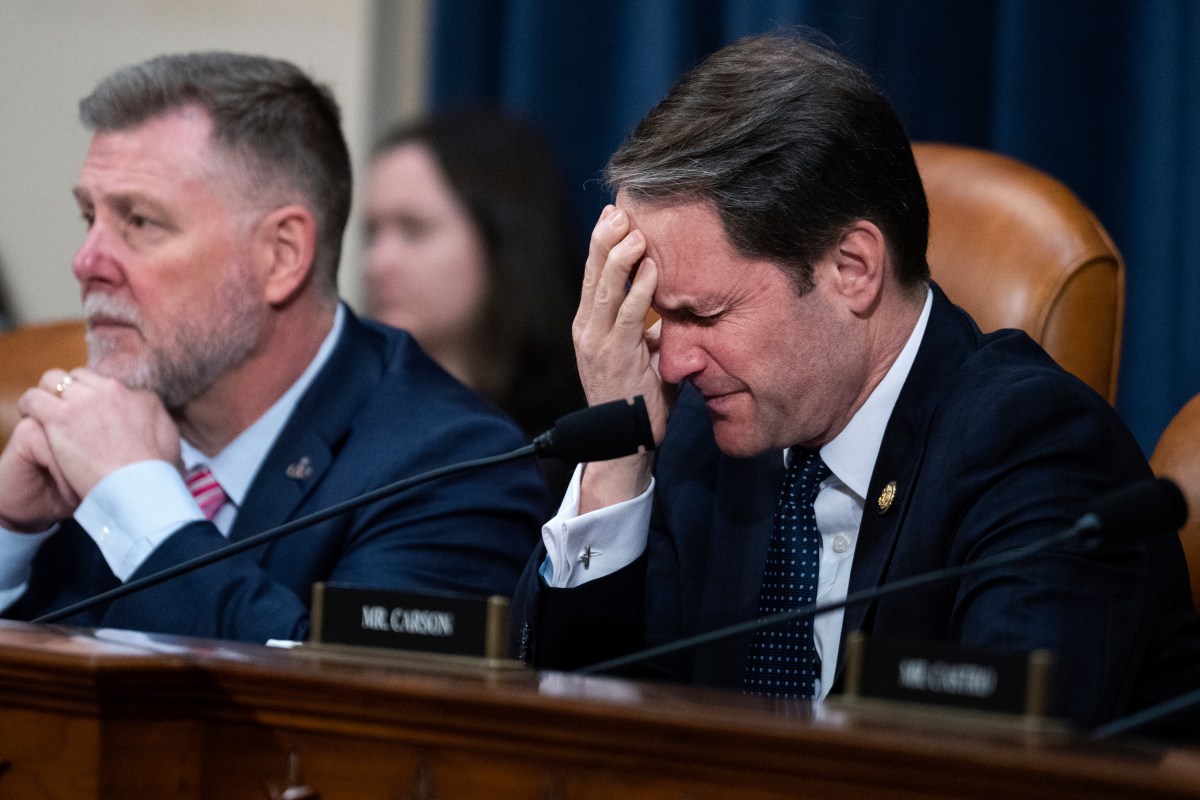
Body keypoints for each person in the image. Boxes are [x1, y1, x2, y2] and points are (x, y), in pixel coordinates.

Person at [512, 32, 1200, 730]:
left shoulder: (1036, 448)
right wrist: (616, 456)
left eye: (707, 313)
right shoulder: (698, 438)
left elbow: (1007, 766)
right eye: (662, 314)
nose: (674, 362)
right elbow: (578, 742)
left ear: (853, 268)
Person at [0, 52, 546, 643]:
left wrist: (140, 503)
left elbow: (345, 714)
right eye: (90, 218)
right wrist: (10, 534)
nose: (87, 264)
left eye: (140, 221)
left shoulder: (449, 468)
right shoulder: (80, 442)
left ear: (282, 255)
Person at [361, 110, 583, 445]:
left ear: (502, 241)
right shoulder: (349, 417)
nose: (378, 263)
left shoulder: (580, 429)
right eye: (372, 232)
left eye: (414, 228)